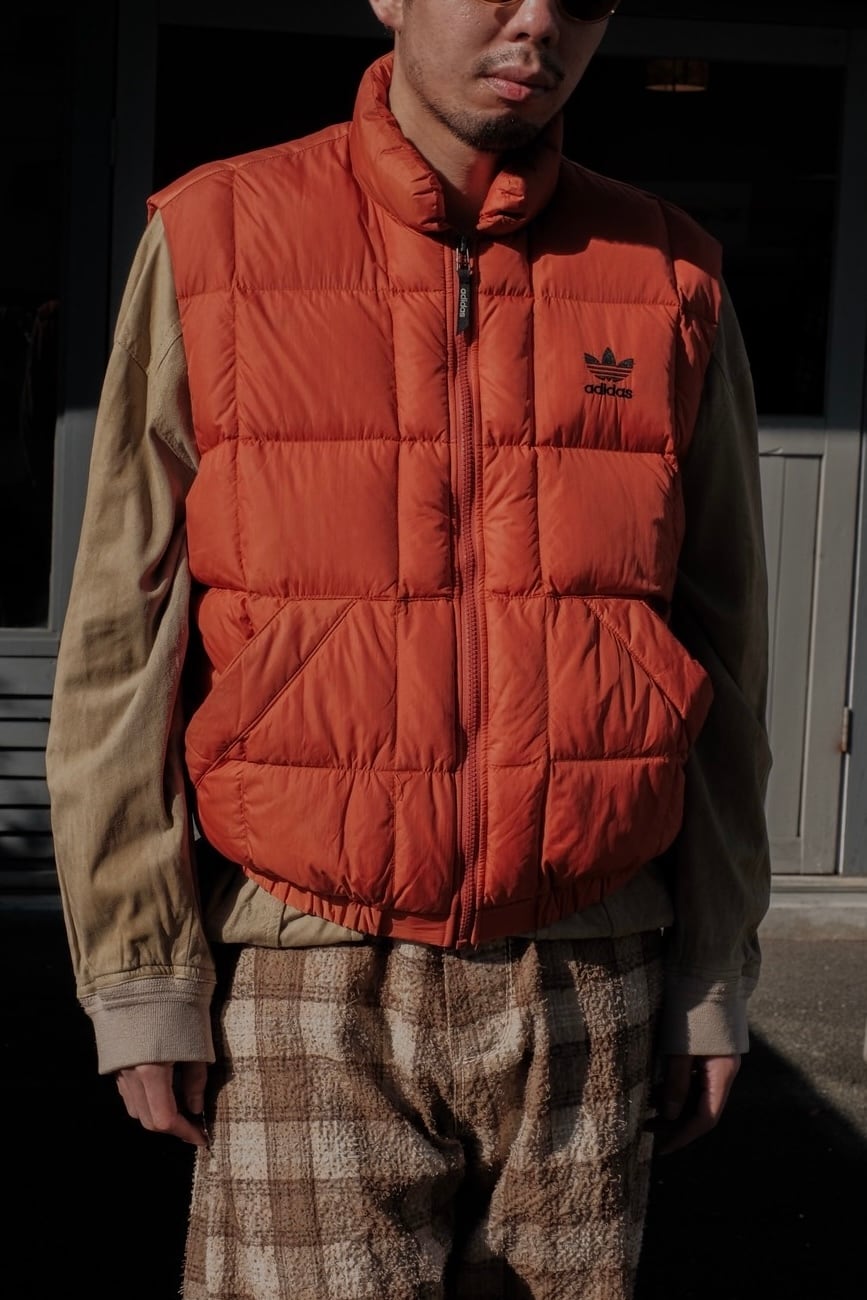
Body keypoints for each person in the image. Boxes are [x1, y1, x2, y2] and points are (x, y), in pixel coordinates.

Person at [45, 1, 772, 1296]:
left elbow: (724, 645)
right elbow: (121, 628)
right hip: (308, 964)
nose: (538, 18)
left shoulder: (670, 274)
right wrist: (141, 969)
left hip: (590, 965)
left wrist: (712, 968)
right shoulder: (216, 238)